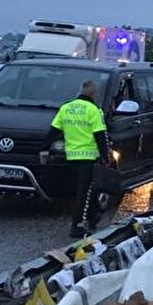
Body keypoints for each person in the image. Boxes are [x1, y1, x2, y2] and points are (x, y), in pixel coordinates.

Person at [44, 79, 113, 239]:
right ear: (94, 94)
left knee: (86, 190)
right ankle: (78, 226)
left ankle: (94, 216)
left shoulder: (66, 107)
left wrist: (43, 148)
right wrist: (105, 156)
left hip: (71, 156)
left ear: (80, 91)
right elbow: (100, 135)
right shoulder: (93, 110)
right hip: (88, 157)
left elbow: (53, 131)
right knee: (84, 192)